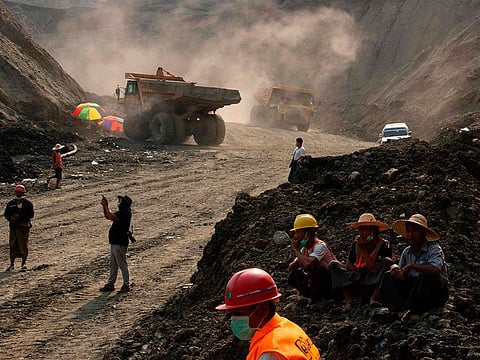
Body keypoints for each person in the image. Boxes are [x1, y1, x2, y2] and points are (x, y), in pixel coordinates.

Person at [216, 268, 321, 360]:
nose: (234, 319)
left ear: (262, 310)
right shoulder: (287, 327)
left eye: (239, 313)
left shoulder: (271, 352)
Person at [378, 214, 449, 315]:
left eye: (415, 231)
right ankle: (397, 307)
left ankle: (411, 308)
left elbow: (435, 269)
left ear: (423, 233)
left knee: (427, 277)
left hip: (435, 291)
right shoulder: (407, 252)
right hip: (414, 289)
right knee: (388, 276)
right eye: (408, 231)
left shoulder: (434, 248)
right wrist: (396, 270)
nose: (410, 235)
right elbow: (402, 272)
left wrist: (411, 266)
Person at [329, 213, 392, 311]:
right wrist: (356, 273)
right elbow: (349, 263)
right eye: (360, 230)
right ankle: (348, 300)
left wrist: (364, 251)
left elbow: (373, 268)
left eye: (365, 230)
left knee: (387, 262)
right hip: (358, 276)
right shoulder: (356, 244)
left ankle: (374, 297)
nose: (362, 233)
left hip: (374, 278)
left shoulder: (384, 245)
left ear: (373, 231)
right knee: (333, 265)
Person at [288, 214, 336, 302]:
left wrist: (296, 250)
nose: (296, 236)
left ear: (308, 233)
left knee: (317, 268)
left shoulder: (320, 246)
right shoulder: (304, 249)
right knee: (295, 272)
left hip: (331, 282)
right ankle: (310, 297)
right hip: (316, 283)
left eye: (298, 232)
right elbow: (290, 267)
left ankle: (325, 298)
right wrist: (299, 257)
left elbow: (307, 264)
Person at [99, 194, 133, 293]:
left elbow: (111, 216)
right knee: (113, 264)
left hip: (119, 242)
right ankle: (111, 284)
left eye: (120, 201)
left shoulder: (124, 213)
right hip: (116, 242)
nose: (119, 202)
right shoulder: (124, 212)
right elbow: (108, 216)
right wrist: (105, 207)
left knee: (121, 264)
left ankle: (126, 284)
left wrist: (105, 206)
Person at [4, 185, 34, 271]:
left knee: (23, 245)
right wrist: (11, 219)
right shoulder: (11, 204)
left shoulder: (28, 204)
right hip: (13, 227)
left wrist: (19, 217)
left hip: (23, 227)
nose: (19, 194)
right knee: (12, 245)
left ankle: (23, 264)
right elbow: (6, 214)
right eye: (18, 193)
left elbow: (31, 215)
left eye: (20, 193)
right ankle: (12, 264)